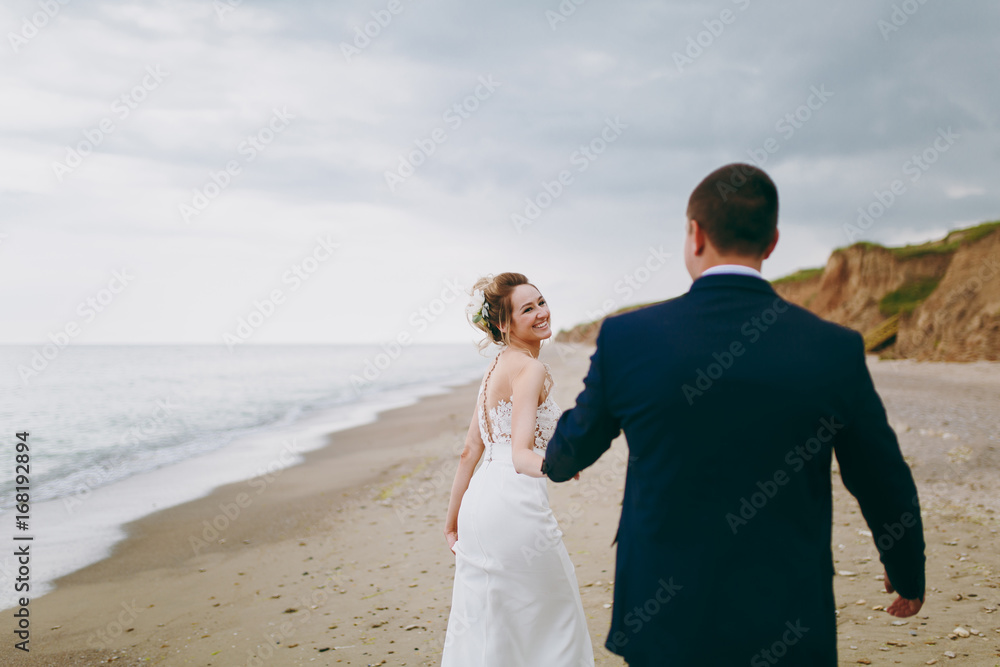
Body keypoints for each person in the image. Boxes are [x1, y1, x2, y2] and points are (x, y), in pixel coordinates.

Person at [542, 163, 926, 665]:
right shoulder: (832, 349)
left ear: (695, 234)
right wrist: (905, 567)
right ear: (772, 242)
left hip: (665, 618)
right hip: (787, 615)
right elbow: (880, 476)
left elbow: (575, 445)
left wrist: (557, 460)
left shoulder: (628, 339)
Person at [441, 272, 594, 667]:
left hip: (478, 505)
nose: (542, 313)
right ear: (504, 324)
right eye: (528, 309)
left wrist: (453, 520)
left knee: (487, 621)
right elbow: (521, 456)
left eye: (541, 302)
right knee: (557, 617)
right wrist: (559, 464)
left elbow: (470, 451)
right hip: (513, 505)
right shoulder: (530, 369)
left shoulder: (494, 369)